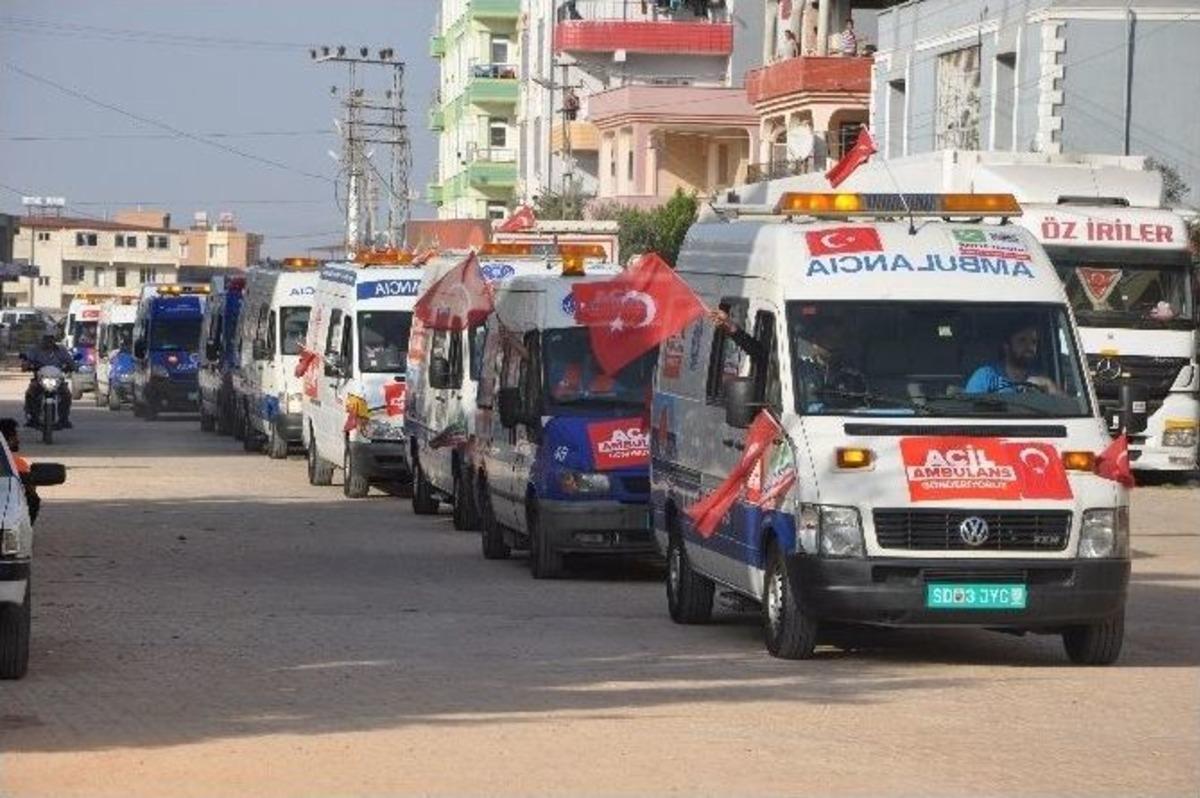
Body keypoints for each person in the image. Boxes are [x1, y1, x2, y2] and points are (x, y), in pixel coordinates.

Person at [965, 320, 1059, 395]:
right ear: (1007, 346)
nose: (1030, 347)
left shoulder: (1040, 379)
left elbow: (1068, 408)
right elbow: (970, 412)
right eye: (1022, 340)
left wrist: (1049, 385)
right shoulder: (985, 376)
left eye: (1034, 342)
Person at [21, 333, 75, 428]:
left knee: (66, 394)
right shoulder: (35, 350)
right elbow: (27, 361)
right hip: (40, 379)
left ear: (54, 340)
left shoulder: (61, 350)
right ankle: (32, 417)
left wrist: (71, 366)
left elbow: (70, 362)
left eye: (51, 339)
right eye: (46, 339)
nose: (48, 342)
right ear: (42, 340)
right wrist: (26, 365)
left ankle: (64, 419)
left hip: (57, 380)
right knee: (30, 392)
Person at [0, 418, 40, 522]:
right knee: (32, 498)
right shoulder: (17, 463)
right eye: (15, 436)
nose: (18, 440)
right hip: (11, 520)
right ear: (8, 440)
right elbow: (30, 490)